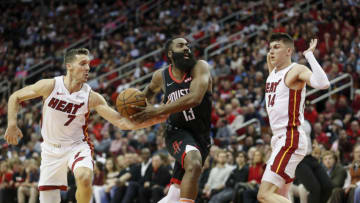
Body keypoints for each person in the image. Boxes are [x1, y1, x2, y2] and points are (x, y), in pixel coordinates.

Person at [4, 48, 166, 203]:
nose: (88, 68)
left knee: (84, 176)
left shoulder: (91, 97)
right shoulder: (50, 85)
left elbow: (121, 122)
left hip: (77, 146)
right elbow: (15, 96)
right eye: (82, 64)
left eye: (89, 64)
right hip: (50, 150)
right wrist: (12, 124)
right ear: (69, 66)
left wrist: (157, 118)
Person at [132, 37, 212, 203]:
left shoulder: (200, 67)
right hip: (176, 131)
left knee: (174, 194)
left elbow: (195, 98)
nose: (186, 48)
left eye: (188, 46)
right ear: (170, 53)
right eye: (181, 45)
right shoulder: (161, 76)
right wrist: (133, 109)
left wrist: (158, 110)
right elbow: (147, 92)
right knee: (194, 163)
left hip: (201, 136)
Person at [257, 33, 330, 203]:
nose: (271, 52)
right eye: (270, 48)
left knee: (264, 195)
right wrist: (271, 60)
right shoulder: (273, 73)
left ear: (288, 51)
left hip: (290, 138)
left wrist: (309, 55)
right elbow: (273, 72)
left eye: (277, 47)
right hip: (279, 140)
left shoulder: (296, 69)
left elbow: (323, 83)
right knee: (280, 196)